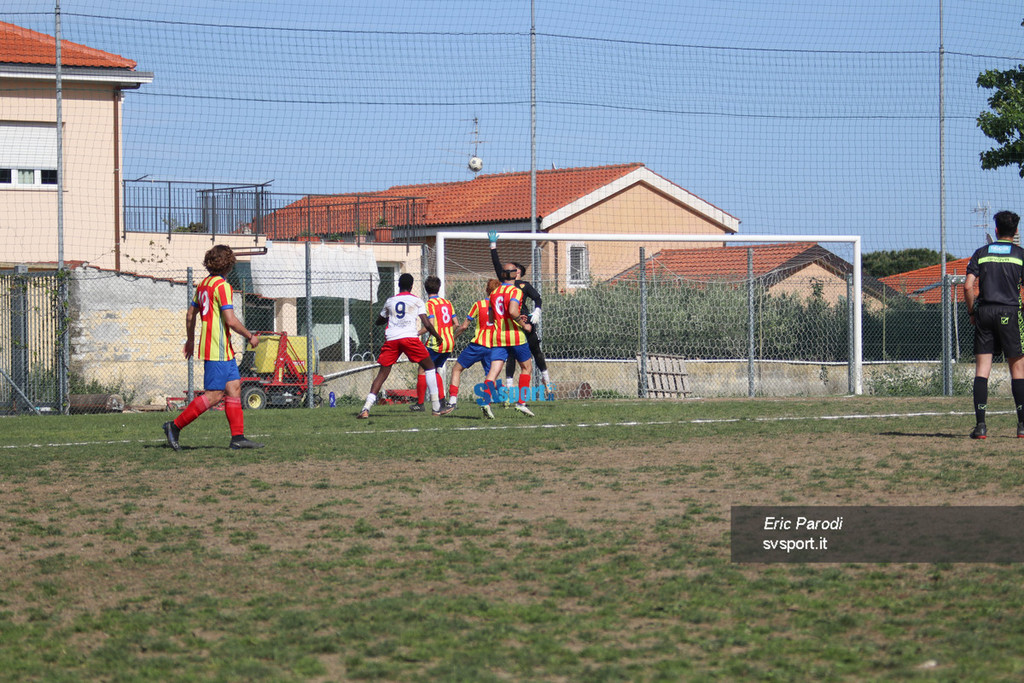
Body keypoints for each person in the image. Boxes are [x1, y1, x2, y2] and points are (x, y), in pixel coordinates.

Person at [163, 245, 264, 450]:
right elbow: (231, 320)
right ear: (229, 265)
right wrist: (250, 336)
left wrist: (190, 340)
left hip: (223, 350)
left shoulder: (203, 285)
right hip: (217, 349)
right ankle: (174, 426)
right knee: (215, 395)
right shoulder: (222, 286)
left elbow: (190, 315)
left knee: (234, 388)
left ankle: (238, 438)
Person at [964, 210, 1024, 439]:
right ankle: (1022, 426)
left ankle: (980, 427)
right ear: (1015, 231)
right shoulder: (1020, 254)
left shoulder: (981, 253)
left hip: (985, 313)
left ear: (996, 230)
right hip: (1011, 312)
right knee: (1018, 370)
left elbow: (968, 286)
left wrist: (972, 312)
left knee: (982, 370)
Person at [359, 273, 444, 419]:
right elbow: (427, 324)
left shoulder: (390, 301)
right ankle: (436, 408)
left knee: (382, 374)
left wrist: (387, 318)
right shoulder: (417, 301)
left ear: (399, 285)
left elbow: (379, 321)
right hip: (409, 338)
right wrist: (437, 337)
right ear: (411, 286)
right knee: (430, 367)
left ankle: (366, 408)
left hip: (392, 339)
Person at [489, 230, 553, 393]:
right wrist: (493, 246)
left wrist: (536, 312)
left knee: (536, 352)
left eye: (516, 268)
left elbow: (538, 298)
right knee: (511, 356)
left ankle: (547, 382)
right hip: (512, 324)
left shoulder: (524, 285)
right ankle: (510, 387)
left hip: (525, 322)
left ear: (519, 272)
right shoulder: (505, 284)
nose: (513, 270)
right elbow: (497, 265)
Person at [482, 264, 535, 418]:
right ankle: (521, 403)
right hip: (515, 336)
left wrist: (513, 316)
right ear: (513, 275)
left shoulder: (494, 293)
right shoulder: (515, 291)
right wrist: (524, 324)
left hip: (498, 337)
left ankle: (485, 402)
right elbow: (512, 311)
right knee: (527, 368)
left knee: (493, 372)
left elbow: (491, 318)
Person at [439, 279, 499, 415]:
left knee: (456, 369)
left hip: (477, 345)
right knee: (491, 376)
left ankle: (452, 401)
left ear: (486, 290)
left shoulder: (478, 305)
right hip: (493, 346)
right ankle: (495, 399)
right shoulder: (501, 308)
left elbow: (464, 326)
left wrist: (453, 337)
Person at [411, 276, 460, 411]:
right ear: (439, 288)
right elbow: (456, 323)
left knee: (423, 368)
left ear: (425, 289)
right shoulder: (447, 303)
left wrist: (416, 333)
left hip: (436, 343)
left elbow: (430, 325)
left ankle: (420, 404)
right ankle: (442, 401)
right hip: (449, 343)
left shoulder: (429, 304)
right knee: (434, 369)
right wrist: (447, 333)